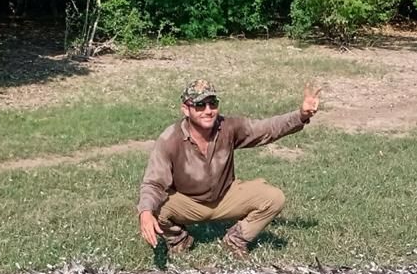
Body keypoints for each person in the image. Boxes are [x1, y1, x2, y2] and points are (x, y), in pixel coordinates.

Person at [137, 78, 321, 258]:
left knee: (274, 198)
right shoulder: (170, 139)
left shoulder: (228, 127)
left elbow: (267, 129)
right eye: (200, 105)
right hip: (188, 201)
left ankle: (236, 239)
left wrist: (301, 115)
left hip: (225, 196)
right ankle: (179, 240)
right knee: (153, 209)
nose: (208, 111)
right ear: (186, 109)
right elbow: (153, 183)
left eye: (213, 103)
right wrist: (145, 213)